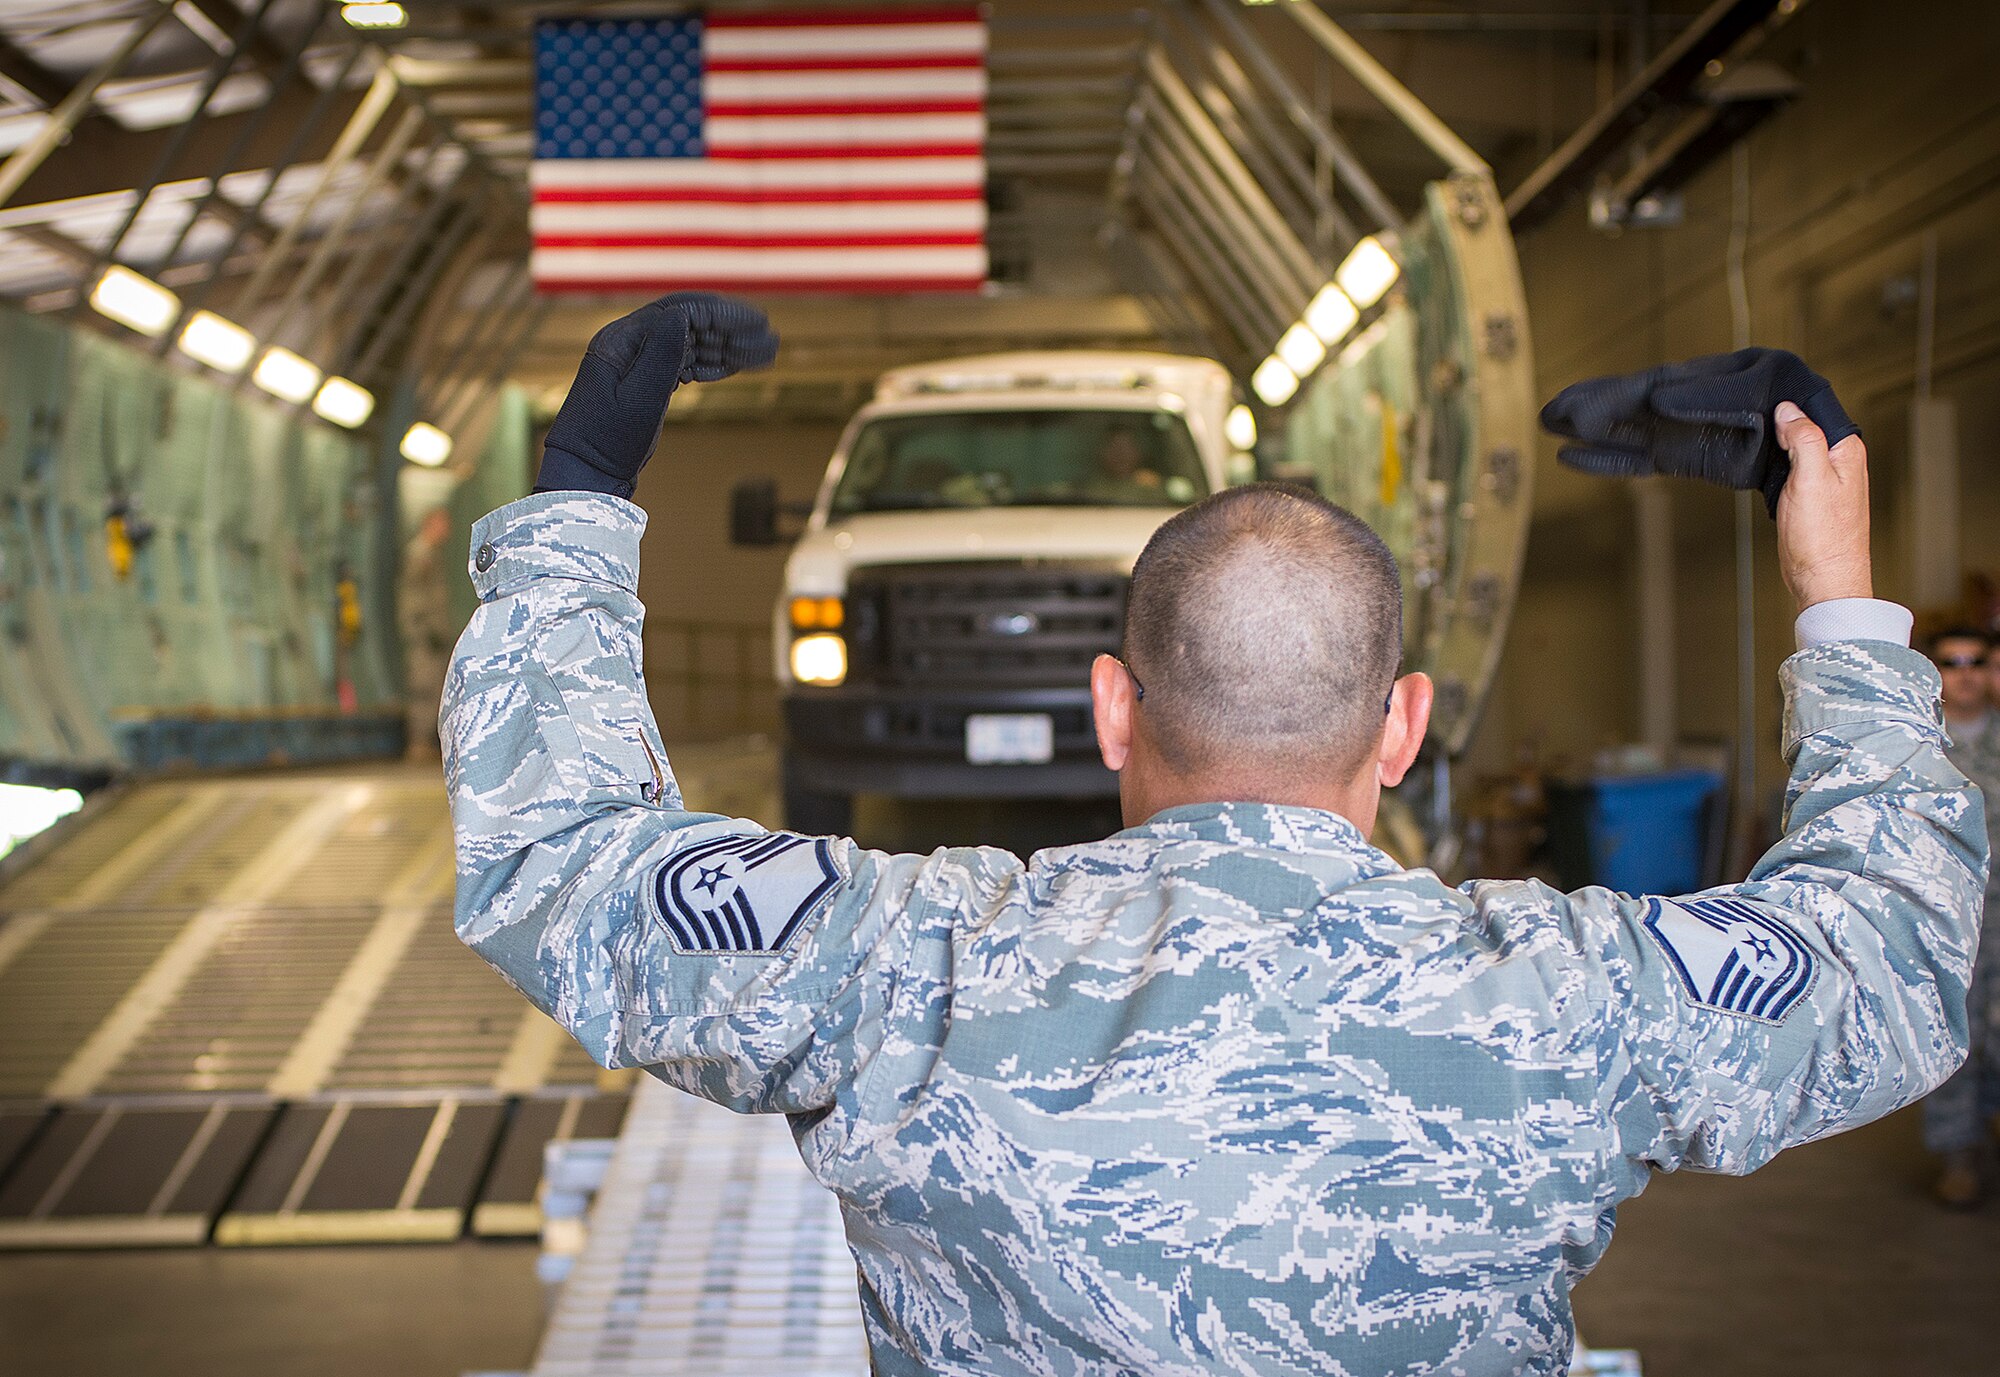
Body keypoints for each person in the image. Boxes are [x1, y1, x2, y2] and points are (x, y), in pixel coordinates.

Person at [442, 294, 1981, 1377]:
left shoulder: (905, 968)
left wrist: (579, 496)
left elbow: (561, 858)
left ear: (1114, 709)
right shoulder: (1570, 999)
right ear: (1402, 726)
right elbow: (1893, 957)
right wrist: (1837, 598)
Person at [1923, 625, 2000, 1206]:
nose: (1966, 671)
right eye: (1953, 661)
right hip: (1947, 917)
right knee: (1954, 1032)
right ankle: (1958, 1155)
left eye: (1978, 661)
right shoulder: (1917, 744)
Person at [399, 506, 455, 762]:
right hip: (424, 635)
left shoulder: (431, 554)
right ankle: (418, 742)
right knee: (423, 686)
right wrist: (425, 628)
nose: (447, 529)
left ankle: (425, 741)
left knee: (434, 687)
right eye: (443, 523)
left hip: (432, 634)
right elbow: (414, 598)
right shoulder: (420, 554)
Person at [1080, 424, 1165, 503]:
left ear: (1138, 453)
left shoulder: (1150, 485)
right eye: (1115, 448)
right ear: (1102, 453)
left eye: (1126, 449)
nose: (1121, 455)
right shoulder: (1092, 489)